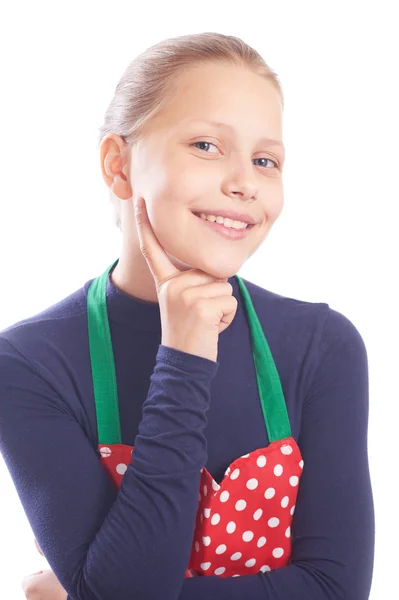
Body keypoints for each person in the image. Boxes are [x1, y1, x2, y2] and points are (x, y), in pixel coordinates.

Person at [0, 31, 374, 600]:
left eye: (265, 160)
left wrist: (78, 593)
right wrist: (185, 355)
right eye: (206, 145)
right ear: (119, 166)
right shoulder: (27, 364)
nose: (245, 182)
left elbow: (335, 589)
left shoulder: (323, 346)